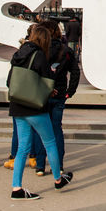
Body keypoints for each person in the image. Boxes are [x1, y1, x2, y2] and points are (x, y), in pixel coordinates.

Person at [8, 24, 72, 199]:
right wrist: (50, 90)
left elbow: (10, 81)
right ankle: (58, 179)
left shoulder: (18, 54)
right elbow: (45, 81)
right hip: (34, 106)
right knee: (49, 141)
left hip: (17, 104)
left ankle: (16, 187)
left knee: (23, 148)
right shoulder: (39, 56)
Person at [30, 27, 79, 173]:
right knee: (56, 128)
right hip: (59, 94)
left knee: (40, 130)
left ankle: (40, 165)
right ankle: (58, 165)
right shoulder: (66, 51)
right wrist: (70, 91)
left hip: (42, 94)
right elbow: (75, 71)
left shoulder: (38, 52)